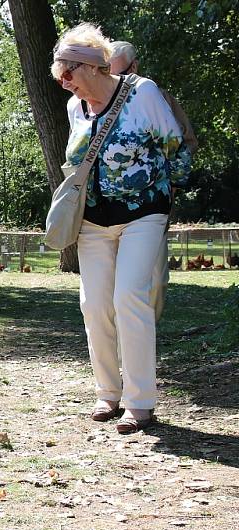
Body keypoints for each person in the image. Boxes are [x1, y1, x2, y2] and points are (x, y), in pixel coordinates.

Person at [50, 23, 192, 434]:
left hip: (144, 214)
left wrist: (164, 198)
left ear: (92, 66)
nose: (64, 84)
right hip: (93, 222)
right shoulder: (75, 107)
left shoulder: (141, 93)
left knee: (130, 296)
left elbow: (175, 150)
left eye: (68, 75)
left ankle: (140, 401)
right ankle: (108, 392)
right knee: (94, 305)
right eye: (59, 78)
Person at [110, 41, 198, 321]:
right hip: (106, 213)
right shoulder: (91, 102)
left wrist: (170, 182)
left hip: (152, 206)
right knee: (115, 287)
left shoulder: (158, 98)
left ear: (133, 67)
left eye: (117, 73)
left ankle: (144, 335)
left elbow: (187, 143)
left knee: (156, 280)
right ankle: (124, 347)